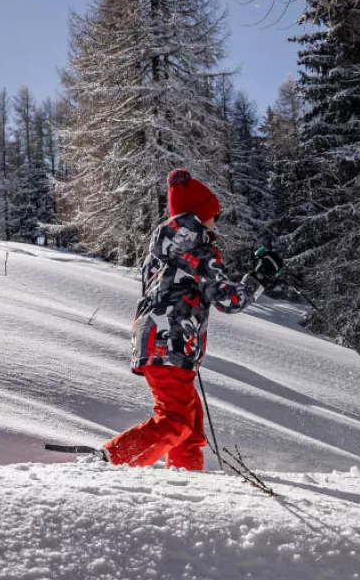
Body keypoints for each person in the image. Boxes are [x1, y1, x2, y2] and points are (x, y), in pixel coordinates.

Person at [102, 168, 281, 470]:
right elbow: (229, 300)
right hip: (170, 344)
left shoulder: (158, 254)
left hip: (154, 341)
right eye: (214, 215)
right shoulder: (200, 251)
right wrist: (262, 276)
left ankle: (186, 476)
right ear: (200, 217)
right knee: (176, 421)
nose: (216, 223)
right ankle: (112, 460)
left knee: (190, 421)